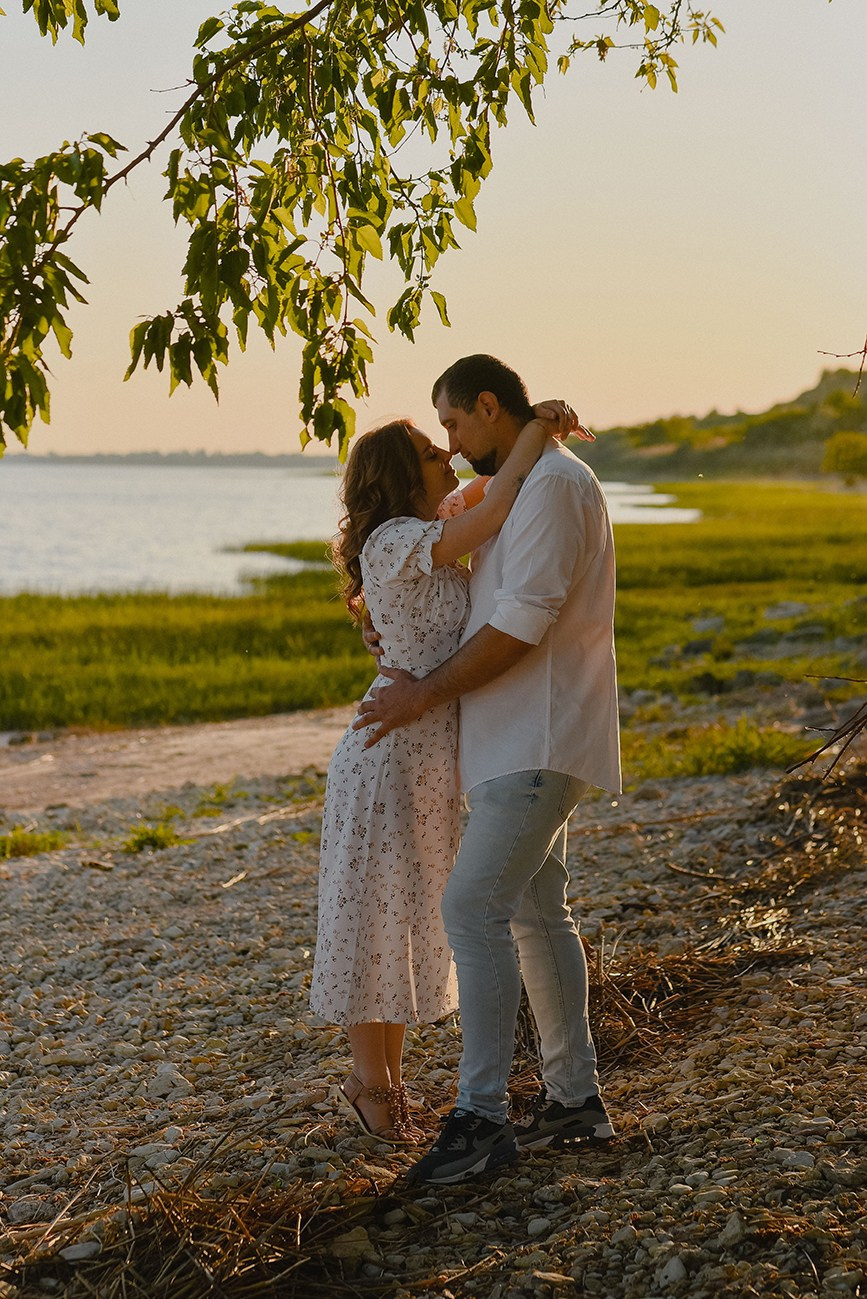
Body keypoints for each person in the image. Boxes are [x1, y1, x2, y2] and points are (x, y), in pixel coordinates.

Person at [354, 355, 622, 1182]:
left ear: (484, 406)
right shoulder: (518, 483)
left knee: (471, 907)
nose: (449, 441)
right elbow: (449, 575)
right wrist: (392, 634)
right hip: (512, 742)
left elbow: (521, 627)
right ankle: (574, 1100)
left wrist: (420, 692)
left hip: (536, 737)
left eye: (453, 425)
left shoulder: (550, 488)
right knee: (537, 916)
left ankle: (479, 1117)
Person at [310, 406, 573, 1143]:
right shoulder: (398, 539)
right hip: (387, 754)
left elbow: (479, 496)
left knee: (402, 914)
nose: (448, 456)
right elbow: (497, 502)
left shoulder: (421, 531)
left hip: (423, 757)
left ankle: (384, 1085)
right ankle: (371, 1086)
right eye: (432, 453)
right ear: (400, 476)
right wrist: (538, 426)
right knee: (373, 917)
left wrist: (523, 438)